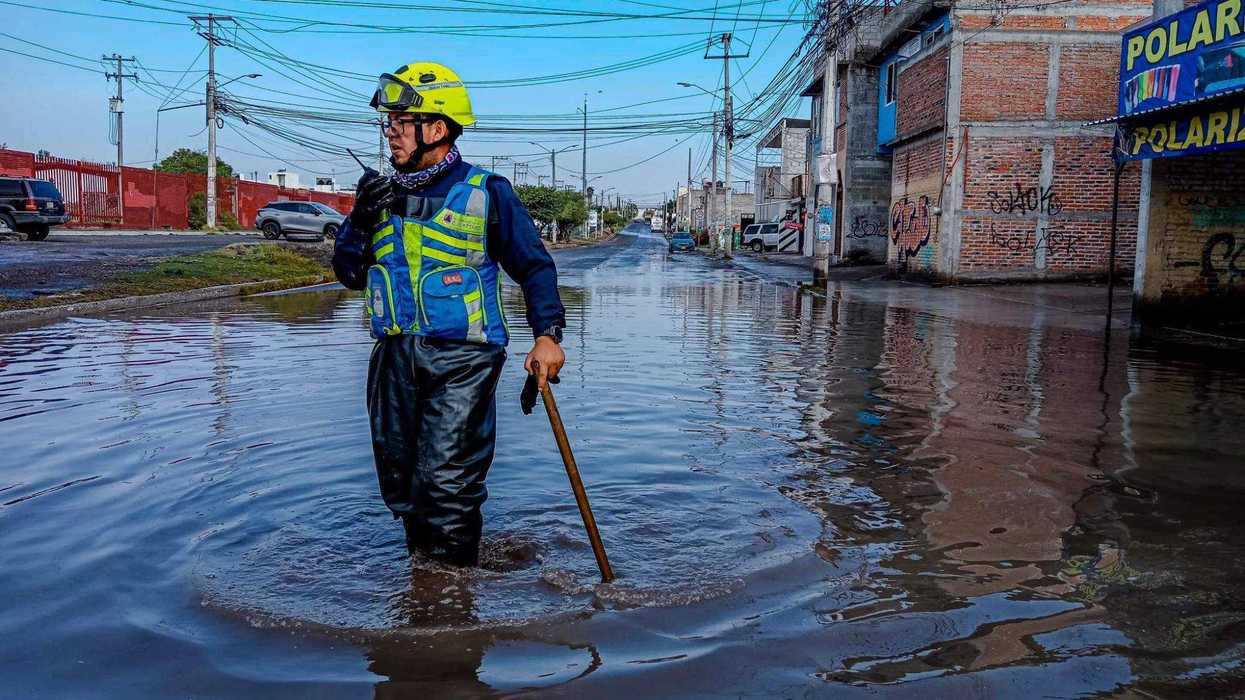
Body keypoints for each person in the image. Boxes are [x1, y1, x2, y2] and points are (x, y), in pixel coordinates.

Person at [332, 62, 566, 567]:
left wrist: (547, 335)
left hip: (464, 360)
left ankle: (452, 601)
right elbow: (349, 273)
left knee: (447, 480)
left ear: (435, 129)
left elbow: (534, 267)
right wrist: (359, 218)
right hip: (394, 356)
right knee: (402, 482)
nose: (389, 131)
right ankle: (424, 576)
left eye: (400, 120)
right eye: (386, 121)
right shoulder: (377, 198)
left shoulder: (487, 192)